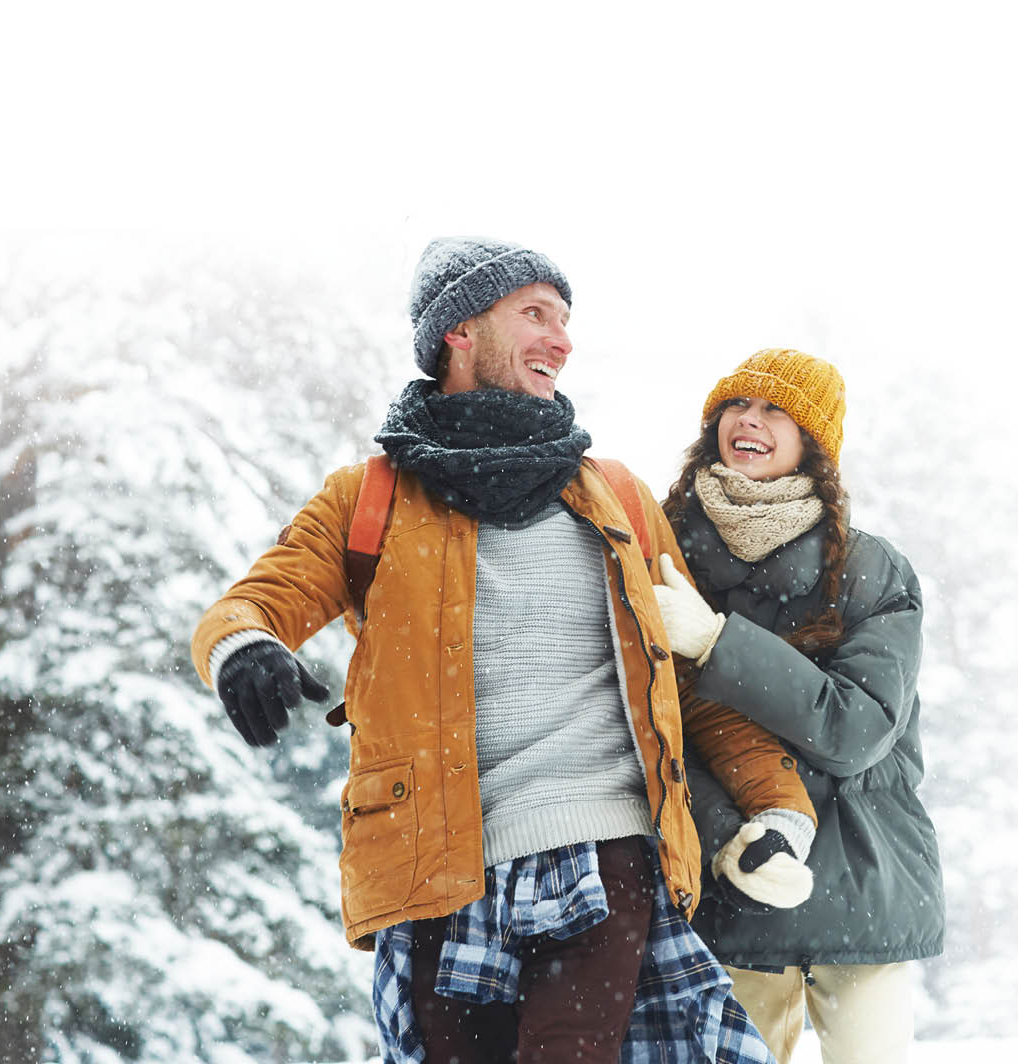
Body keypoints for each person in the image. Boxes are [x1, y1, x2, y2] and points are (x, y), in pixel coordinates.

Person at [190, 240, 813, 1063]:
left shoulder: (616, 497)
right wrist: (241, 648)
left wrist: (777, 808)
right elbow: (255, 602)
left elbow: (683, 678)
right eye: (534, 314)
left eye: (564, 320)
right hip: (439, 866)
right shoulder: (370, 497)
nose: (561, 339)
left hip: (606, 851)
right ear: (458, 331)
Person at [652, 349, 946, 1064]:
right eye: (736, 406)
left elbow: (855, 729)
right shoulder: (663, 556)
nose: (748, 422)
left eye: (774, 410)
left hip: (863, 889)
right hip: (733, 891)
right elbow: (653, 734)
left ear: (813, 442)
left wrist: (718, 645)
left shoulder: (872, 568)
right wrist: (733, 842)